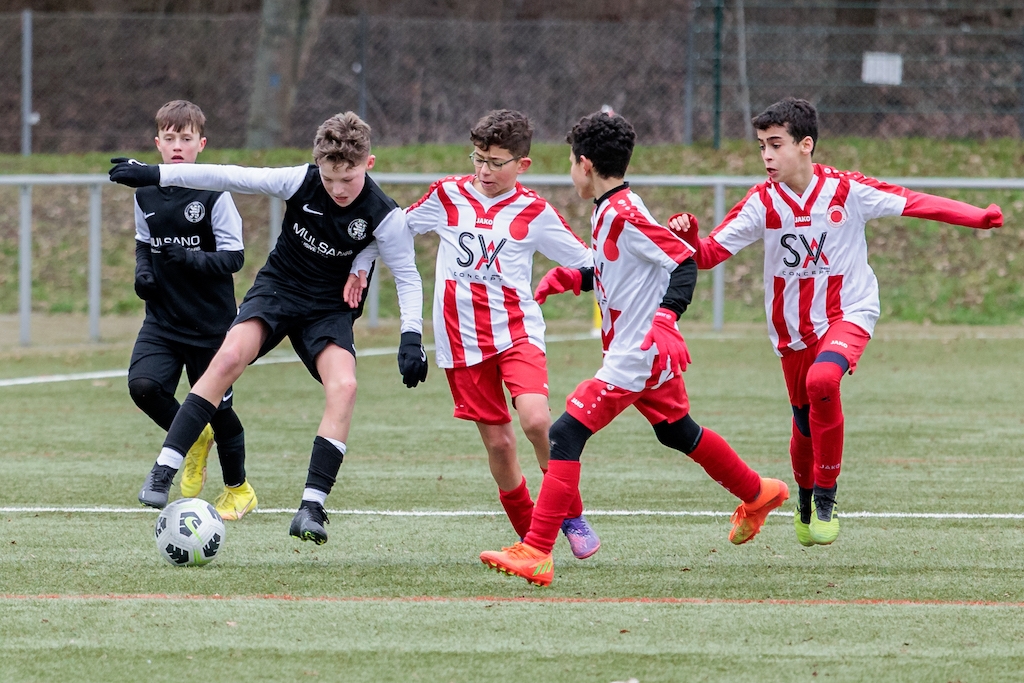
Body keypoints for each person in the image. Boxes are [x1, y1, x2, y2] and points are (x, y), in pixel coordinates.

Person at [668, 97, 1003, 546]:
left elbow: (913, 202)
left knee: (823, 381)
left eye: (776, 144)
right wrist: (691, 236)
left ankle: (826, 496)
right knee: (804, 425)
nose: (766, 155)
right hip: (791, 332)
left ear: (805, 145)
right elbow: (708, 254)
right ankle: (805, 501)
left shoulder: (847, 191)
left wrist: (976, 217)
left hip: (850, 313)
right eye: (762, 146)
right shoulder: (762, 202)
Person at [479, 111, 789, 587]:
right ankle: (757, 491)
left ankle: (537, 551)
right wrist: (574, 277)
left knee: (564, 433)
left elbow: (683, 261)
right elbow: (620, 270)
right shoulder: (610, 208)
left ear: (585, 164)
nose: (570, 171)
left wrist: (666, 318)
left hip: (638, 353)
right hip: (639, 351)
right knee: (678, 431)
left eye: (570, 162)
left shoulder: (623, 214)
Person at [109, 111, 427, 545]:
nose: (337, 189)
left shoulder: (383, 215)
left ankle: (311, 507)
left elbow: (408, 275)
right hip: (278, 289)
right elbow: (230, 175)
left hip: (327, 308)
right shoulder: (299, 181)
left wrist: (411, 336)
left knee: (345, 386)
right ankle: (165, 467)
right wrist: (155, 173)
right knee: (228, 357)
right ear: (317, 165)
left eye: (348, 179)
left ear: (368, 164)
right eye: (329, 178)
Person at [349, 109, 601, 559]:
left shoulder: (535, 212)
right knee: (500, 444)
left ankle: (572, 514)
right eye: (478, 159)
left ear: (522, 165)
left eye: (496, 162)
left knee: (537, 421)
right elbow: (391, 231)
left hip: (517, 332)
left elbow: (588, 261)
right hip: (460, 342)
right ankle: (532, 542)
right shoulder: (447, 195)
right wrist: (360, 264)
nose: (484, 170)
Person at [119, 99, 255, 521]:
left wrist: (190, 259)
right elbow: (144, 243)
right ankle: (193, 437)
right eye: (170, 138)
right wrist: (143, 272)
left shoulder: (214, 193)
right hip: (162, 319)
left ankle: (239, 490)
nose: (178, 145)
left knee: (220, 410)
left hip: (211, 324)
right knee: (143, 386)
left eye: (186, 138)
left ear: (201, 144)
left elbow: (234, 257)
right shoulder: (145, 192)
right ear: (157, 143)